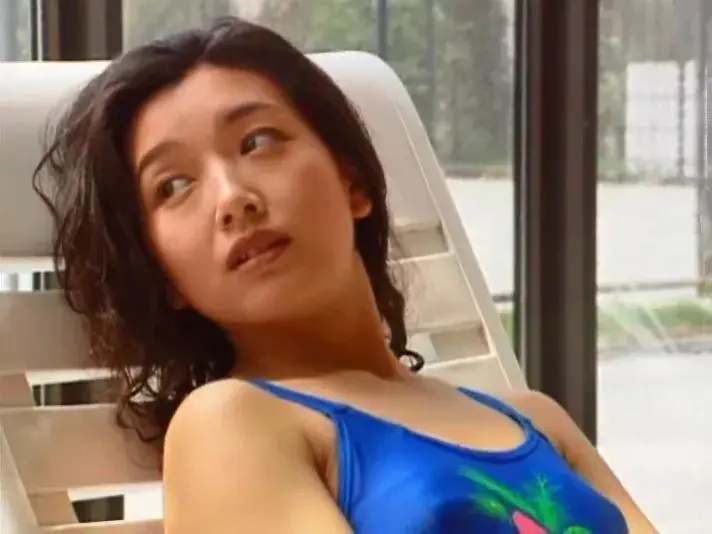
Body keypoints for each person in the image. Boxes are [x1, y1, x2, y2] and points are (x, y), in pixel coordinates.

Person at [34, 16, 656, 534]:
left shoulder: (538, 420)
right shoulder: (231, 426)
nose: (233, 198)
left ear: (352, 181)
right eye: (173, 186)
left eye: (258, 142)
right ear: (163, 273)